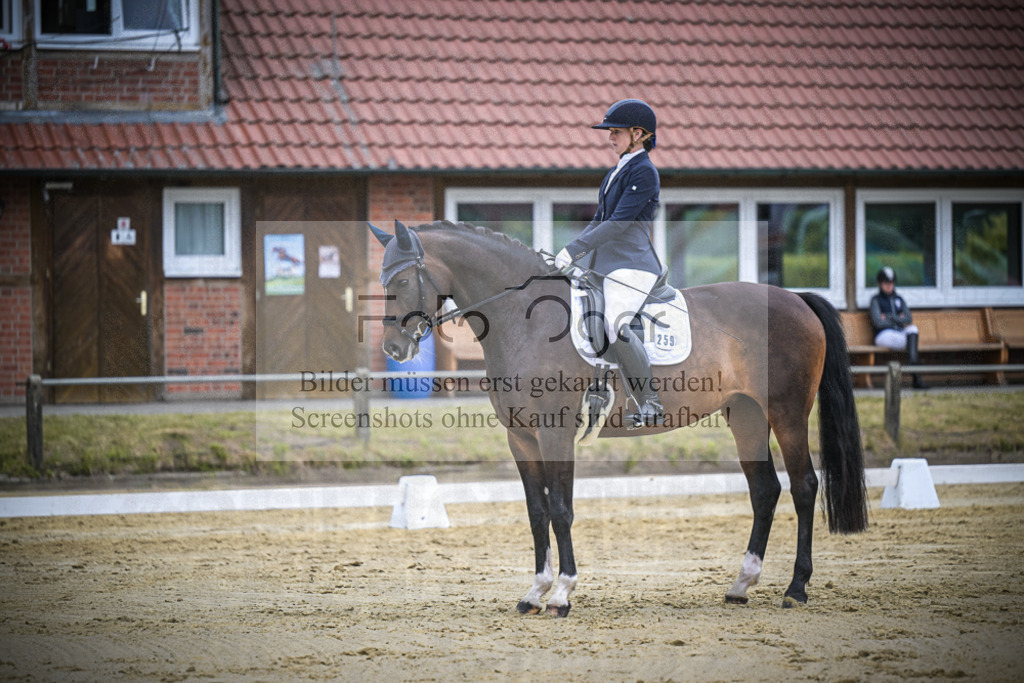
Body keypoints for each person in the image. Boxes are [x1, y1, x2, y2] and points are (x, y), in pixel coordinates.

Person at [554, 99, 664, 428]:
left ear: (639, 134)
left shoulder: (645, 172)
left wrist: (575, 249)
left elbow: (618, 224)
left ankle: (650, 402)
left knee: (616, 322)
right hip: (605, 265)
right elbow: (599, 220)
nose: (609, 137)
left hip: (633, 264)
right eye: (609, 131)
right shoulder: (617, 170)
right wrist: (572, 253)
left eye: (615, 131)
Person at [869, 266, 926, 389]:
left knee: (913, 329)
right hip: (883, 335)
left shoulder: (899, 299)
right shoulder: (876, 300)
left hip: (899, 333)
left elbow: (908, 319)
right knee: (911, 342)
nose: (889, 286)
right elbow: (878, 322)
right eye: (886, 283)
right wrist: (898, 318)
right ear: (880, 284)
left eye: (891, 282)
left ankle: (913, 366)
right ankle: (915, 368)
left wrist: (889, 317)